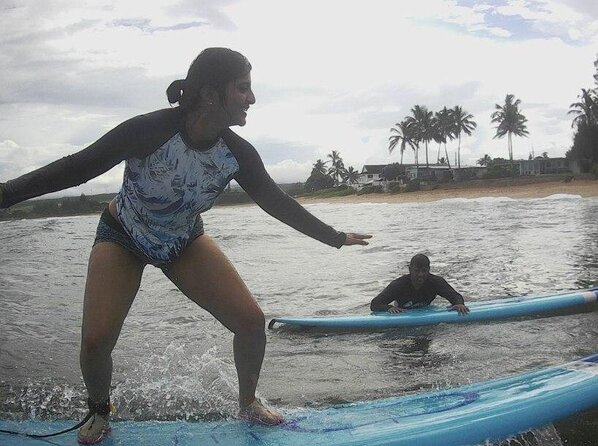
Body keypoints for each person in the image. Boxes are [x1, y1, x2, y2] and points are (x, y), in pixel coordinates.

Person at [0, 47, 371, 444]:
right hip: (122, 235)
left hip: (183, 241)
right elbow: (78, 167)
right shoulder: (150, 130)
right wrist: (6, 193)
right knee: (95, 341)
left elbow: (276, 202)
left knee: (250, 322)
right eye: (243, 88)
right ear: (211, 94)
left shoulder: (237, 154)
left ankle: (248, 403)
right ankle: (99, 410)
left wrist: (333, 238)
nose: (252, 98)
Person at [370, 254, 469, 315]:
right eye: (416, 271)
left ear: (429, 270)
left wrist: (459, 304)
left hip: (425, 312)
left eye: (424, 271)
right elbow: (375, 304)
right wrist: (389, 308)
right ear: (410, 270)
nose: (420, 275)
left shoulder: (436, 282)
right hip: (404, 314)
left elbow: (455, 296)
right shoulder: (398, 285)